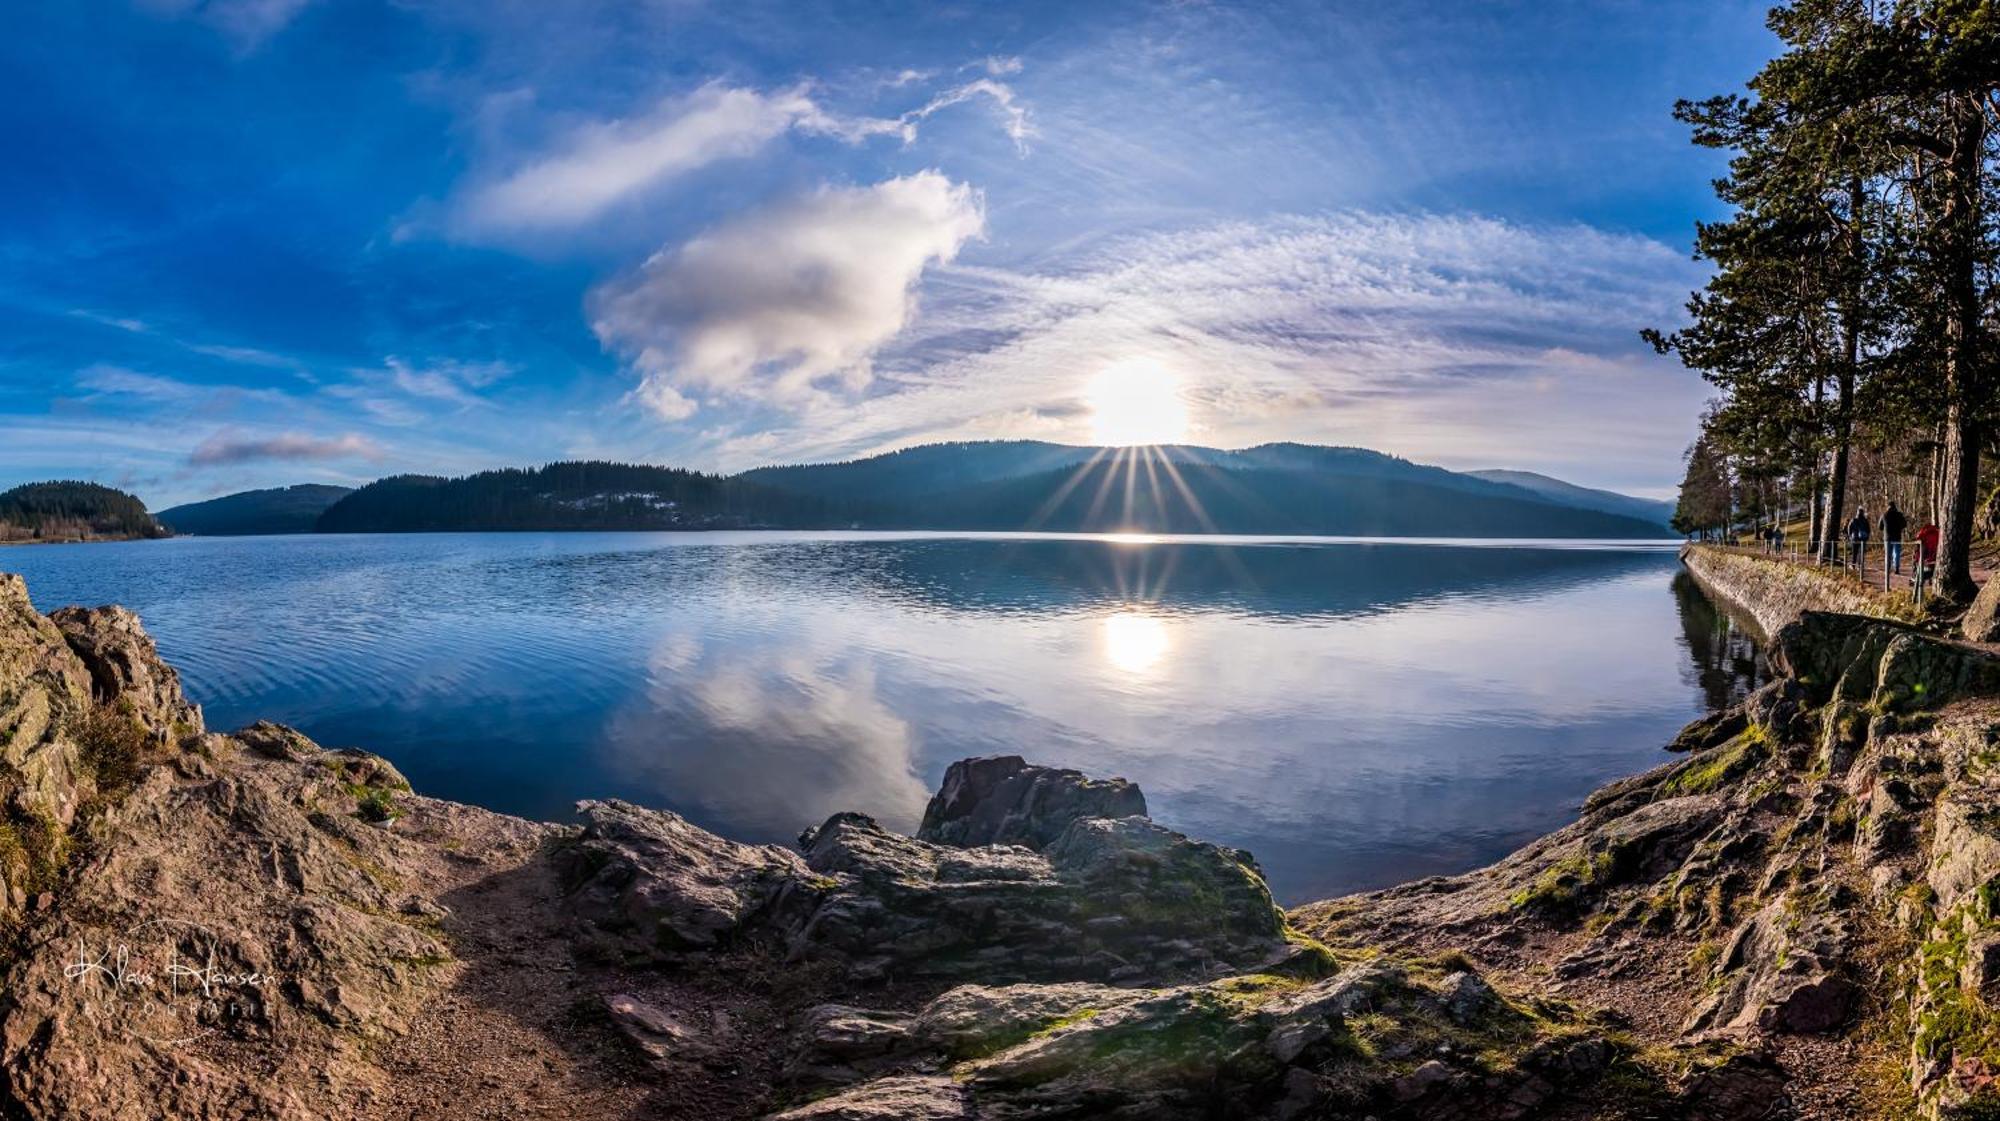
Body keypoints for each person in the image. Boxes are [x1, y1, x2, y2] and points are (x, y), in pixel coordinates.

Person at [1882, 502, 1907, 574]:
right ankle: (1896, 569)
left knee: (1888, 554)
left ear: (1888, 507)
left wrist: (1885, 528)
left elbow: (1879, 526)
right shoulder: (1899, 514)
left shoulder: (1885, 515)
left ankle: (1887, 569)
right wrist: (1899, 528)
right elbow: (1904, 524)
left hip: (1887, 537)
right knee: (1897, 553)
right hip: (1897, 537)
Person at [1918, 520, 1941, 588]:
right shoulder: (1937, 532)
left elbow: (1918, 540)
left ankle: (1920, 579)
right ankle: (1931, 579)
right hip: (1936, 554)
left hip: (1926, 554)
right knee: (1932, 566)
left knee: (1923, 567)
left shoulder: (1923, 532)